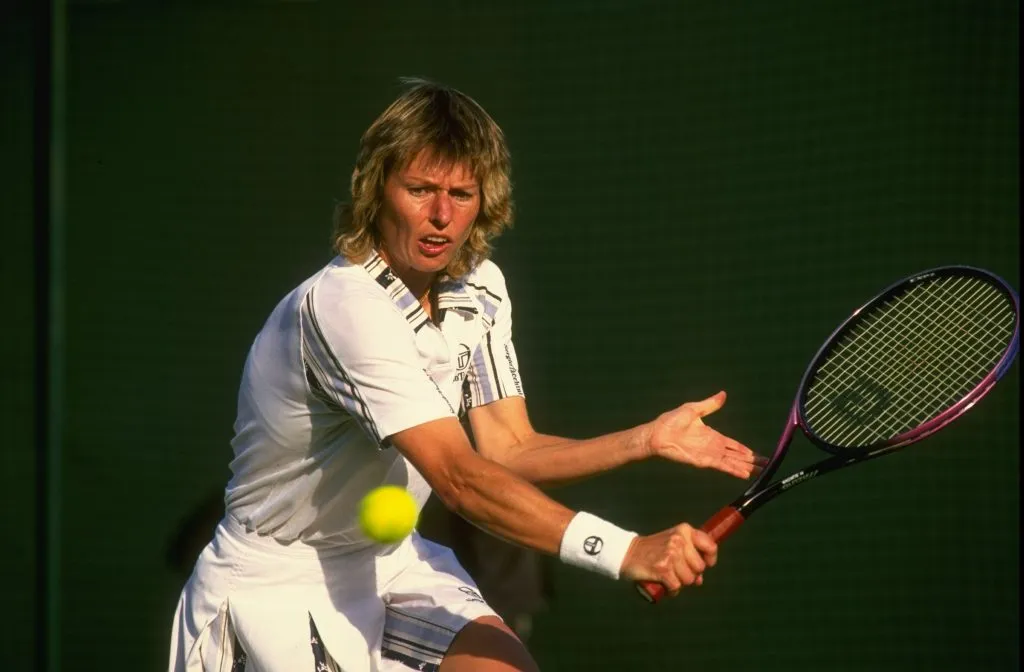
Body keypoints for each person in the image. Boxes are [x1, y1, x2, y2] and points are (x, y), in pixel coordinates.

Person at [168, 79, 764, 672]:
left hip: (391, 565)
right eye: (420, 190)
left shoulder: (479, 287)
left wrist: (646, 439)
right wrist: (624, 550)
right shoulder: (344, 306)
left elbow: (509, 448)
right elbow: (460, 478)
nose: (441, 216)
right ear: (376, 191)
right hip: (274, 586)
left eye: (461, 194)